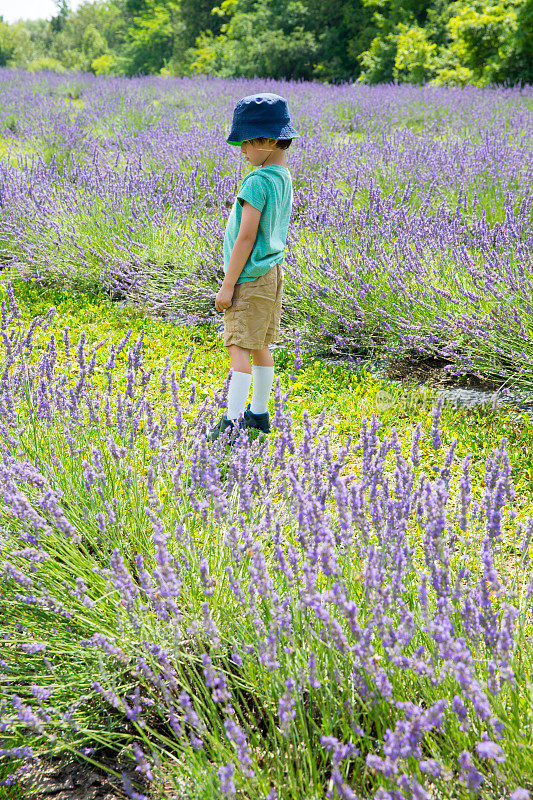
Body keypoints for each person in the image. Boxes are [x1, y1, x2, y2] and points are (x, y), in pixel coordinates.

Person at [208, 93, 299, 443]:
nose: (242, 149)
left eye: (247, 141)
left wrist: (227, 286)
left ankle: (230, 424)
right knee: (261, 344)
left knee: (238, 347)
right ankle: (258, 415)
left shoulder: (257, 182)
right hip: (271, 272)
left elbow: (245, 238)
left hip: (248, 276)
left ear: (271, 140)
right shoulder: (282, 177)